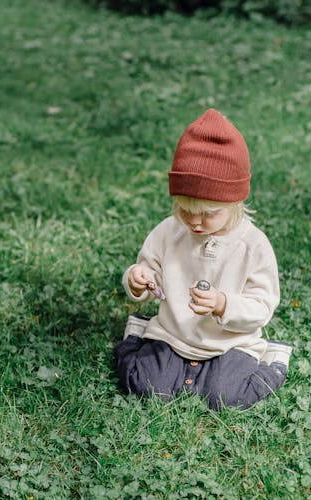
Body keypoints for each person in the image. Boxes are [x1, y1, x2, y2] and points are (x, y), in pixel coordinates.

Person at [114, 109, 292, 410]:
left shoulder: (253, 245)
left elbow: (262, 305)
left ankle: (273, 360)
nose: (195, 223)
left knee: (226, 397)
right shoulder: (169, 232)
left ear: (234, 202)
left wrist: (224, 304)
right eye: (185, 210)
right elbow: (148, 272)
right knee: (144, 385)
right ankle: (139, 334)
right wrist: (138, 278)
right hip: (172, 335)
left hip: (229, 343)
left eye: (209, 214)